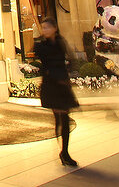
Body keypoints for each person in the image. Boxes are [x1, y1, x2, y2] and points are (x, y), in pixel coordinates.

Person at [35, 16, 79, 168]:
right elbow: (45, 63)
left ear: (54, 28)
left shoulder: (60, 43)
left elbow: (69, 59)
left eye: (47, 27)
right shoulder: (41, 46)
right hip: (52, 83)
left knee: (64, 118)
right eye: (43, 27)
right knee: (59, 118)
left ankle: (64, 152)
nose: (44, 30)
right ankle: (63, 151)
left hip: (62, 83)